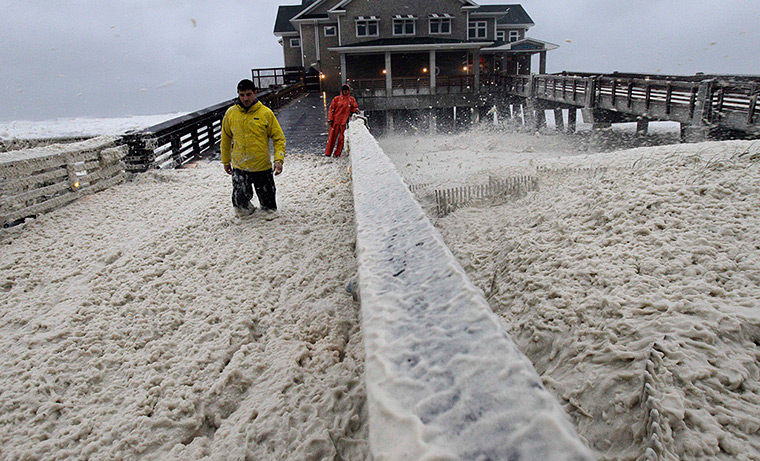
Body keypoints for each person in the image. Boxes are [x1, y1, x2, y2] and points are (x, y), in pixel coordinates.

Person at [221, 79, 285, 216]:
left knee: (269, 209)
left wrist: (278, 160)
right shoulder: (231, 114)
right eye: (242, 95)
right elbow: (226, 138)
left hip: (262, 166)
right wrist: (226, 161)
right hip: (240, 167)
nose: (245, 98)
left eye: (248, 94)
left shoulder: (265, 113)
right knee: (240, 206)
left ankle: (267, 231)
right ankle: (246, 226)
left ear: (255, 93)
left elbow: (278, 138)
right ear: (238, 94)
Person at [325, 83, 359, 157]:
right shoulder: (336, 99)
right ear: (342, 91)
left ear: (348, 91)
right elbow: (331, 109)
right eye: (344, 90)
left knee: (341, 139)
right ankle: (328, 153)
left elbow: (354, 107)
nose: (345, 91)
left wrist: (356, 110)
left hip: (343, 123)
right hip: (335, 122)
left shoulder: (351, 99)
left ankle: (337, 154)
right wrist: (330, 119)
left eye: (346, 90)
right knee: (332, 138)